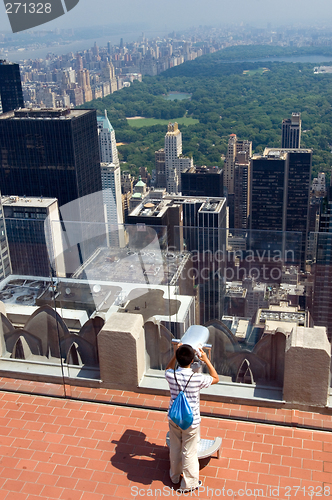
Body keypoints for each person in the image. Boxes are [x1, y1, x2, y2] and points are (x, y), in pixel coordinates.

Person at [165, 343, 219, 492]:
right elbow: (216, 378)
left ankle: (174, 476)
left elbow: (168, 369)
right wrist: (206, 359)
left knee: (175, 447)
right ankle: (189, 484)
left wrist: (175, 354)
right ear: (192, 361)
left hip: (174, 418)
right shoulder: (197, 379)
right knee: (189, 451)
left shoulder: (171, 375)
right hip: (191, 420)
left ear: (178, 358)